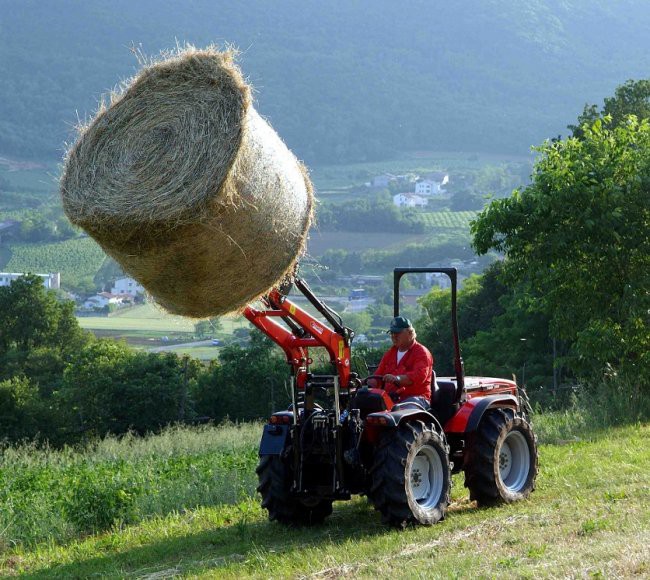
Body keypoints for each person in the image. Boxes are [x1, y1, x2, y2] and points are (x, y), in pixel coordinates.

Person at [369, 316, 434, 407]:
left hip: (416, 399)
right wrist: (364, 383)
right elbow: (378, 376)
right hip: (392, 398)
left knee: (402, 412)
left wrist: (397, 378)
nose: (393, 336)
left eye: (397, 333)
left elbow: (419, 376)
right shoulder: (390, 354)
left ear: (410, 333)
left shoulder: (421, 353)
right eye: (392, 333)